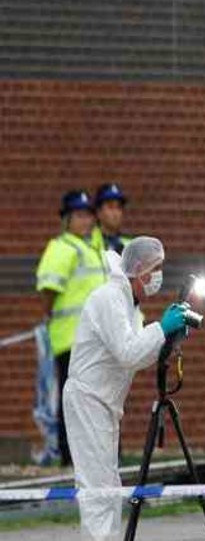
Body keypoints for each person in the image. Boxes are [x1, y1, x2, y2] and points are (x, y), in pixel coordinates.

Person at [63, 236, 193, 541]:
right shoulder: (110, 298)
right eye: (156, 268)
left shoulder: (128, 305)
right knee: (97, 487)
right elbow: (128, 353)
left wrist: (168, 338)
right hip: (89, 399)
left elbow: (137, 355)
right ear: (140, 270)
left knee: (108, 484)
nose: (159, 275)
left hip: (103, 403)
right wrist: (161, 328)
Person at [35, 190, 109, 466]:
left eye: (88, 215)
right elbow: (48, 290)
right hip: (70, 339)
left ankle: (91, 457)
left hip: (92, 340)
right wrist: (48, 315)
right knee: (74, 401)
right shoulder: (62, 247)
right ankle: (70, 457)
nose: (86, 220)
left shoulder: (91, 248)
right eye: (79, 215)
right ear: (67, 219)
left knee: (92, 400)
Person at [93, 184, 132, 254]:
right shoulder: (89, 242)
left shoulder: (129, 245)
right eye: (110, 207)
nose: (115, 213)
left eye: (118, 207)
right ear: (99, 212)